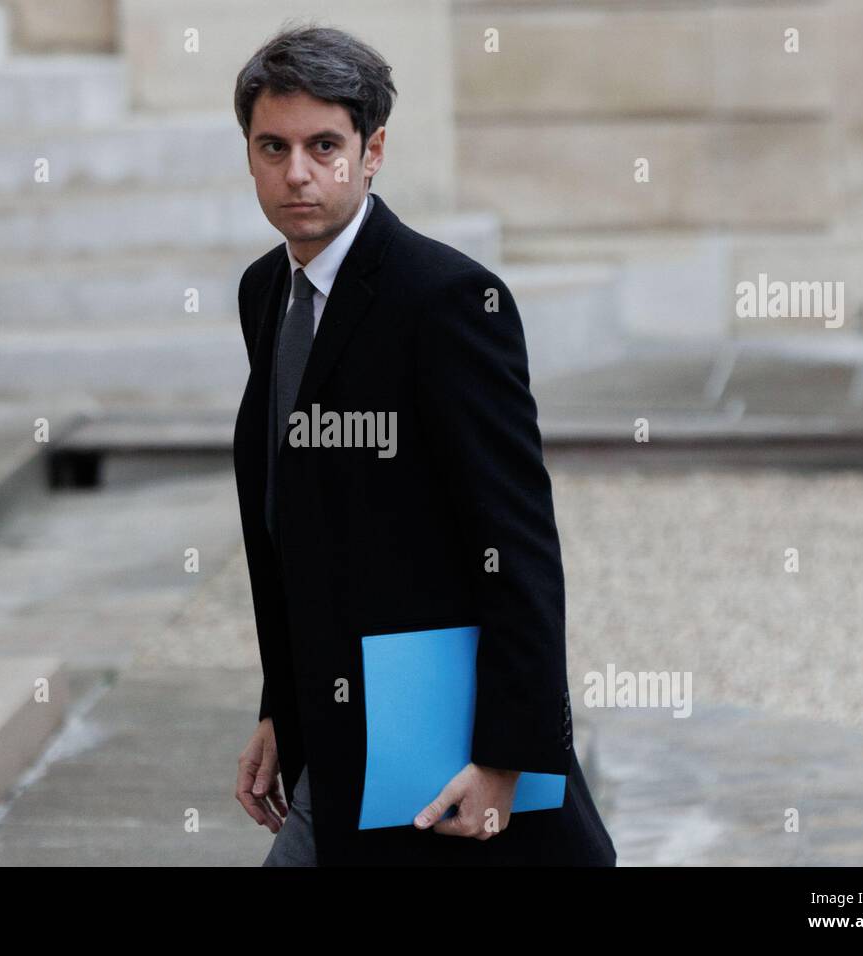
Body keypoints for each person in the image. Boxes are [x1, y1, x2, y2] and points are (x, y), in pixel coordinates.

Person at [230, 23, 616, 866]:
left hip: (437, 750)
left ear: (372, 153)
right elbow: (293, 520)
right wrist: (281, 706)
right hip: (337, 731)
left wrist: (506, 759)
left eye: (324, 145)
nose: (298, 172)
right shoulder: (265, 291)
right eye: (274, 146)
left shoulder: (448, 300)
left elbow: (516, 542)